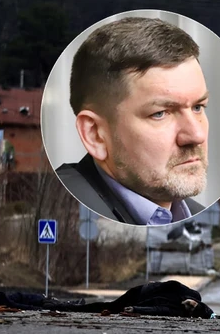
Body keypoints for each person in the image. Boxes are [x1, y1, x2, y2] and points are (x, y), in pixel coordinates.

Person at [55, 17, 210, 225]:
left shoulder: (191, 213)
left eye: (198, 107)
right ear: (95, 135)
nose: (196, 135)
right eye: (160, 113)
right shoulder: (62, 208)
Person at [0, 280, 213, 318]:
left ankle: (62, 304)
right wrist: (136, 309)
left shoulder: (189, 295)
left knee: (97, 307)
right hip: (139, 295)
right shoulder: (185, 305)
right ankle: (5, 298)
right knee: (100, 308)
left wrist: (139, 307)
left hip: (141, 291)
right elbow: (160, 310)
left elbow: (160, 303)